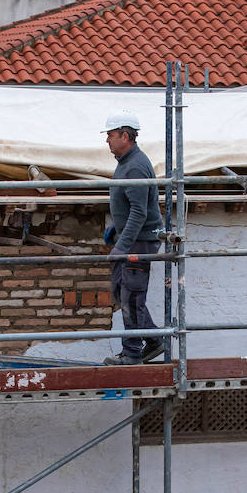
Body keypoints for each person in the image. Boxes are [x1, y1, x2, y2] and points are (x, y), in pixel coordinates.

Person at [101, 110, 164, 365]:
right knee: (120, 290)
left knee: (132, 296)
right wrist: (116, 230)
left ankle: (132, 354)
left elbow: (139, 211)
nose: (107, 140)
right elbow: (130, 206)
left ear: (125, 136)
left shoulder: (135, 165)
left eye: (110, 135)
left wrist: (123, 245)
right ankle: (154, 341)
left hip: (140, 242)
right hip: (131, 238)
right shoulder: (126, 162)